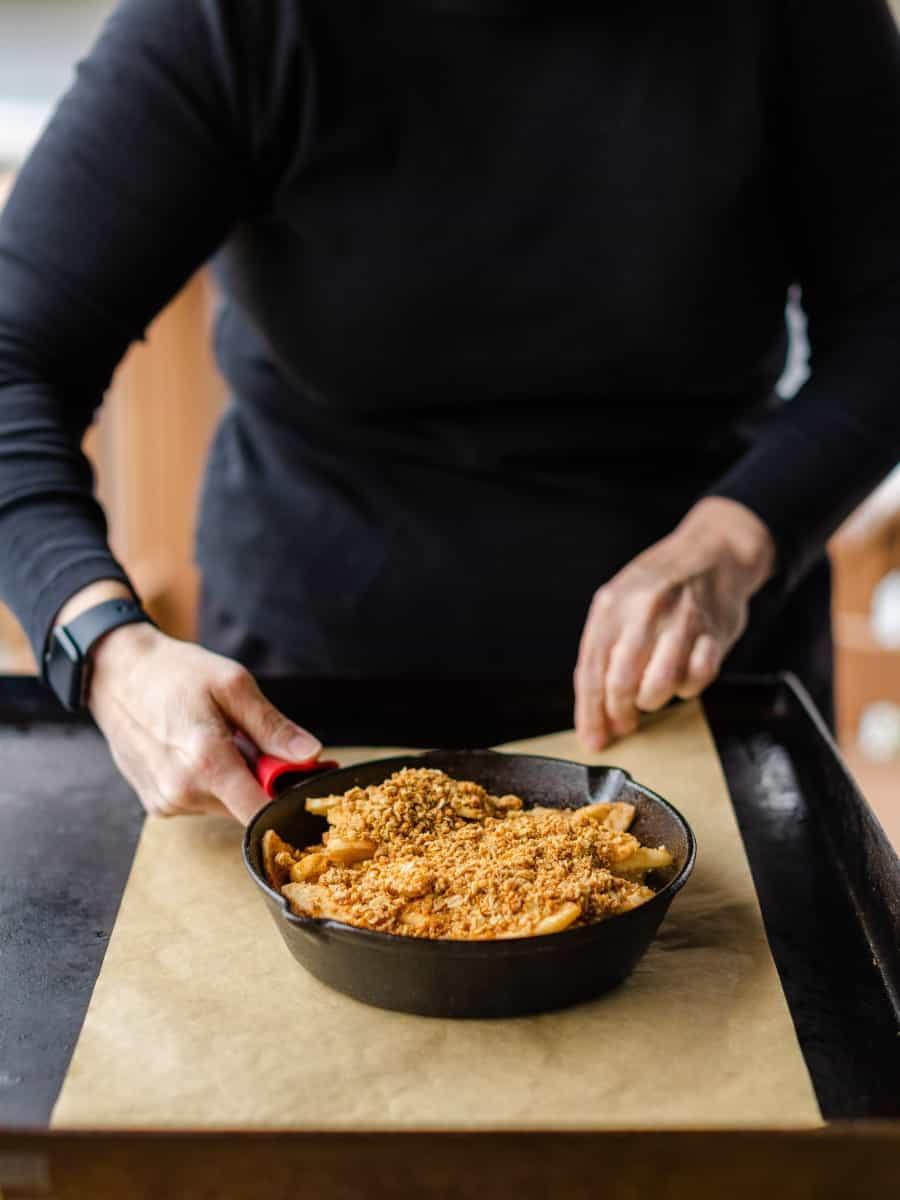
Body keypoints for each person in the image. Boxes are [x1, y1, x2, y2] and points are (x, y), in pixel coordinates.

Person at [0, 0, 897, 823]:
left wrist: (732, 545)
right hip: (313, 700)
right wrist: (107, 649)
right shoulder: (232, 20)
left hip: (700, 672)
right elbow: (14, 355)